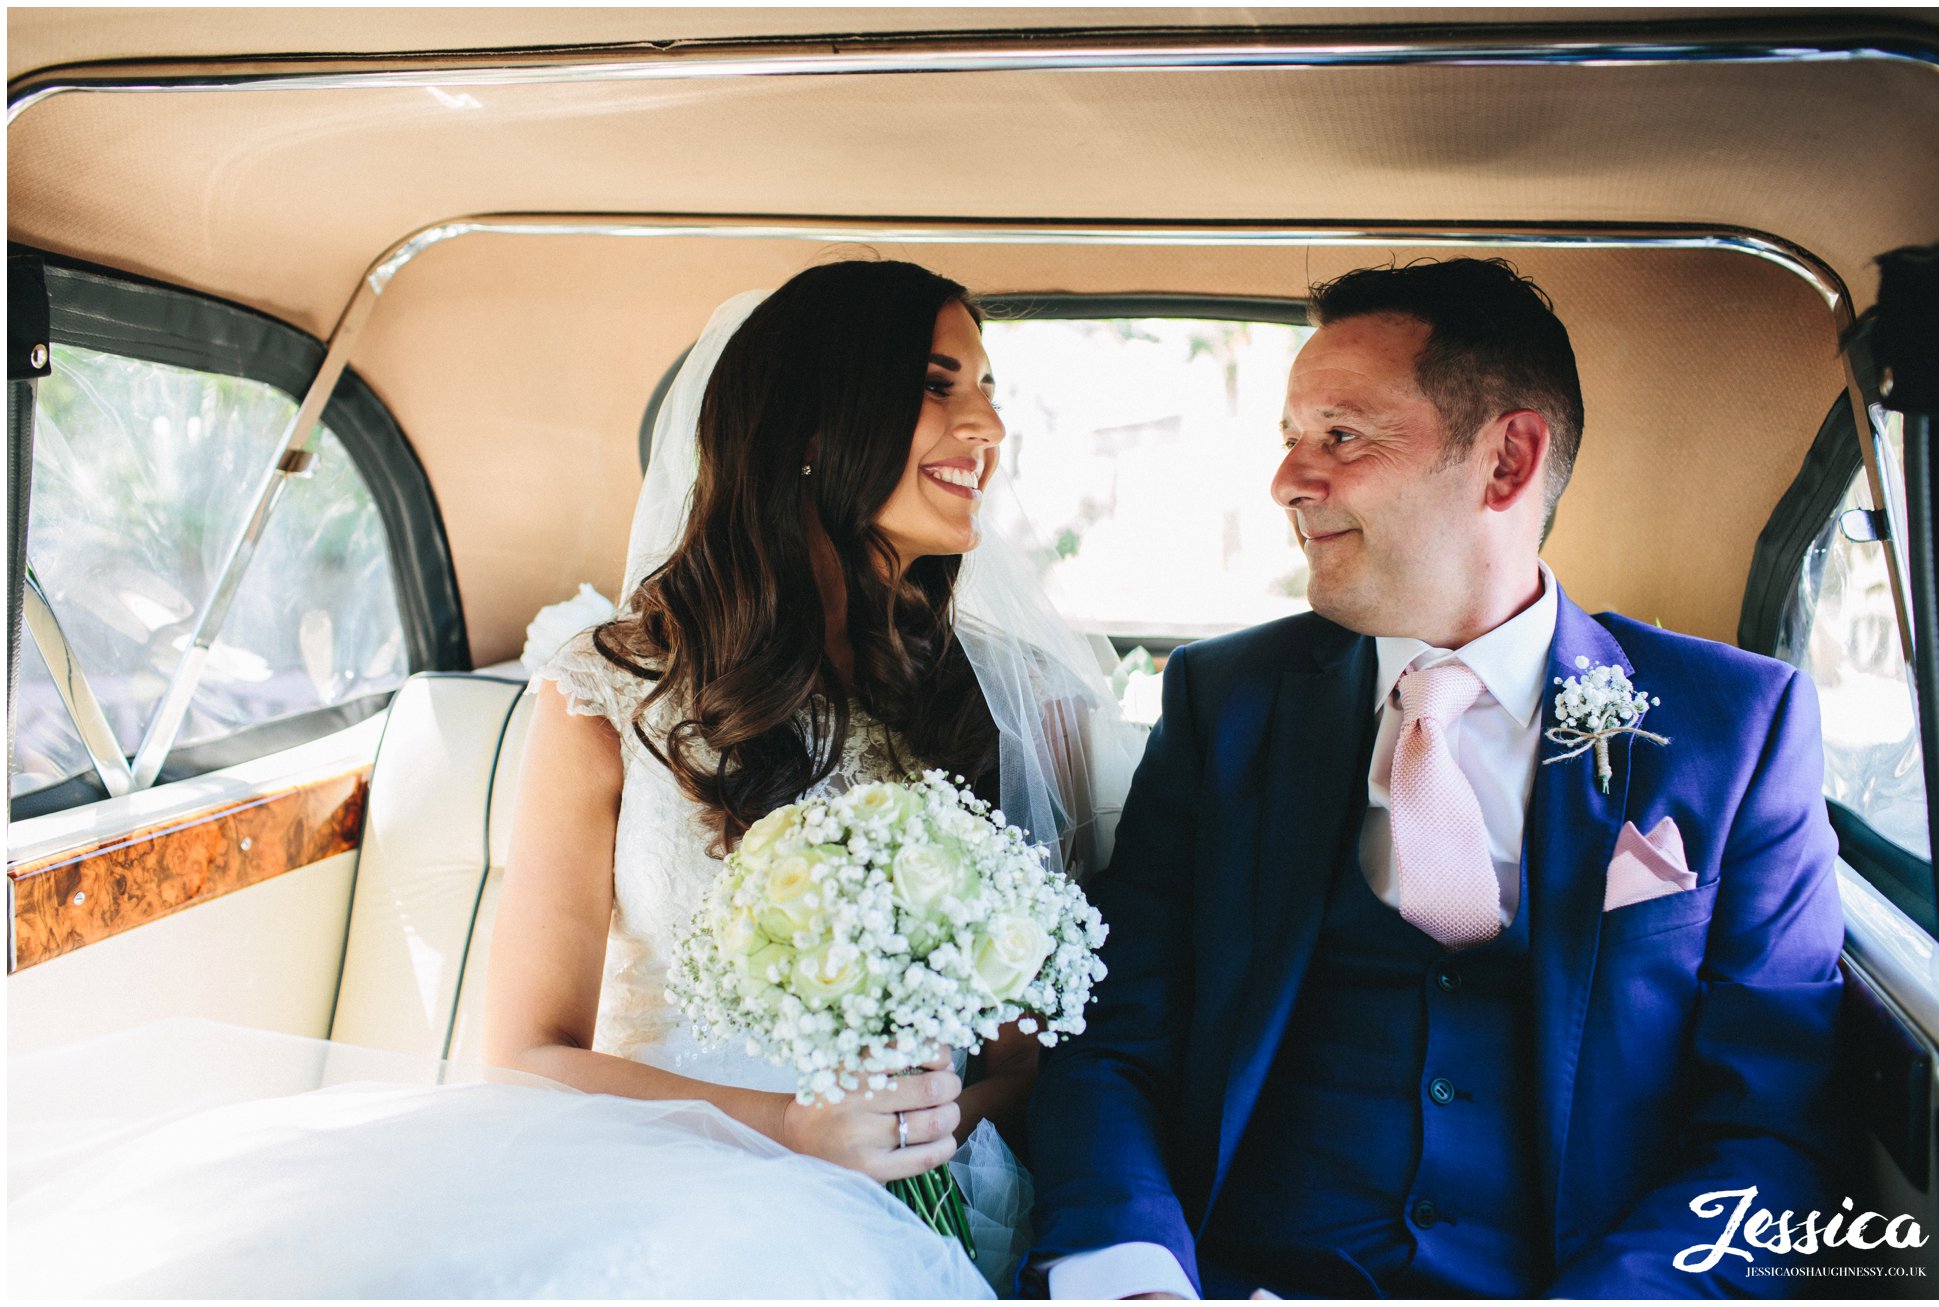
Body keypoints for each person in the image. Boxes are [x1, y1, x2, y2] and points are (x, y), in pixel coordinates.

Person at [8, 260, 1138, 1299]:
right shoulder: (610, 692)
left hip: (911, 1192)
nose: (988, 424)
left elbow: (1032, 1063)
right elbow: (528, 1051)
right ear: (813, 419)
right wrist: (787, 1128)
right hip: (644, 1154)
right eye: (941, 384)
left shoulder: (1011, 708)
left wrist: (918, 1122)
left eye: (989, 386)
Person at [1022, 258, 1845, 1299]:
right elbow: (1112, 1037)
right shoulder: (1220, 701)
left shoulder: (1737, 728)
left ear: (1505, 462)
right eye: (1290, 438)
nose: (1288, 480)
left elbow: (1769, 1131)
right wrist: (1134, 1267)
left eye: (1341, 435)